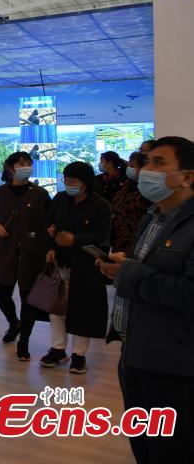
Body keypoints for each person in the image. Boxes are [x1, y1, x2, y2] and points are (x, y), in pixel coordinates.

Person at [97, 136, 194, 463]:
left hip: (172, 364)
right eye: (146, 161)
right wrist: (120, 267)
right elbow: (146, 270)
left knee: (171, 451)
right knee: (144, 448)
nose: (146, 170)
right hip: (134, 352)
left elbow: (187, 292)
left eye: (158, 163)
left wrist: (128, 273)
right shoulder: (152, 216)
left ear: (187, 176)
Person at [41, 161, 111, 374]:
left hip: (86, 264)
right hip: (59, 263)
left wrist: (75, 239)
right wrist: (50, 246)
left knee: (82, 309)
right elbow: (49, 225)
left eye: (73, 180)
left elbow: (101, 235)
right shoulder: (60, 199)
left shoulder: (100, 205)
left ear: (86, 181)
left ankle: (79, 355)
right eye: (66, 179)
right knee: (56, 309)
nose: (68, 183)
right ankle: (58, 349)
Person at [0, 151, 51, 360]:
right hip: (6, 252)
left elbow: (50, 221)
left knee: (29, 300)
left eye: (29, 163)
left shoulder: (40, 194)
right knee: (2, 295)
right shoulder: (0, 192)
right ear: (10, 168)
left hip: (32, 254)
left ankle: (24, 342)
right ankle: (14, 323)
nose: (26, 167)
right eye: (21, 163)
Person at [110, 151, 151, 254]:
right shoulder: (126, 184)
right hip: (118, 238)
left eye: (132, 166)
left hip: (136, 241)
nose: (129, 169)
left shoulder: (148, 189)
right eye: (129, 165)